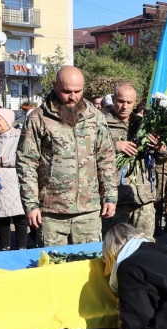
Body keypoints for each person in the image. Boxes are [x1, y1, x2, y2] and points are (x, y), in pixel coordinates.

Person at [17, 66, 117, 246]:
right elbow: (26, 163)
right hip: (51, 213)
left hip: (88, 212)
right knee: (52, 269)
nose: (73, 97)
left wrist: (110, 196)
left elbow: (106, 158)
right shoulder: (38, 119)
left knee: (88, 267)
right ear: (55, 86)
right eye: (67, 91)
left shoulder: (95, 117)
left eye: (78, 91)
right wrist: (31, 205)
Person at [103, 84, 157, 240]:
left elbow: (161, 158)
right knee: (114, 248)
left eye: (129, 102)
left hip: (143, 198)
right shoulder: (100, 124)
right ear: (113, 100)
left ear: (135, 102)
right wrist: (114, 146)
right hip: (116, 200)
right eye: (120, 101)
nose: (124, 106)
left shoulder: (144, 125)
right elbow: (87, 152)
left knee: (145, 246)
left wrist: (161, 149)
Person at [0, 108, 28, 251]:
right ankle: (4, 247)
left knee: (20, 217)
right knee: (2, 217)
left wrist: (8, 160)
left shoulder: (19, 136)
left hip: (14, 183)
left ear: (8, 121)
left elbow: (25, 156)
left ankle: (22, 247)